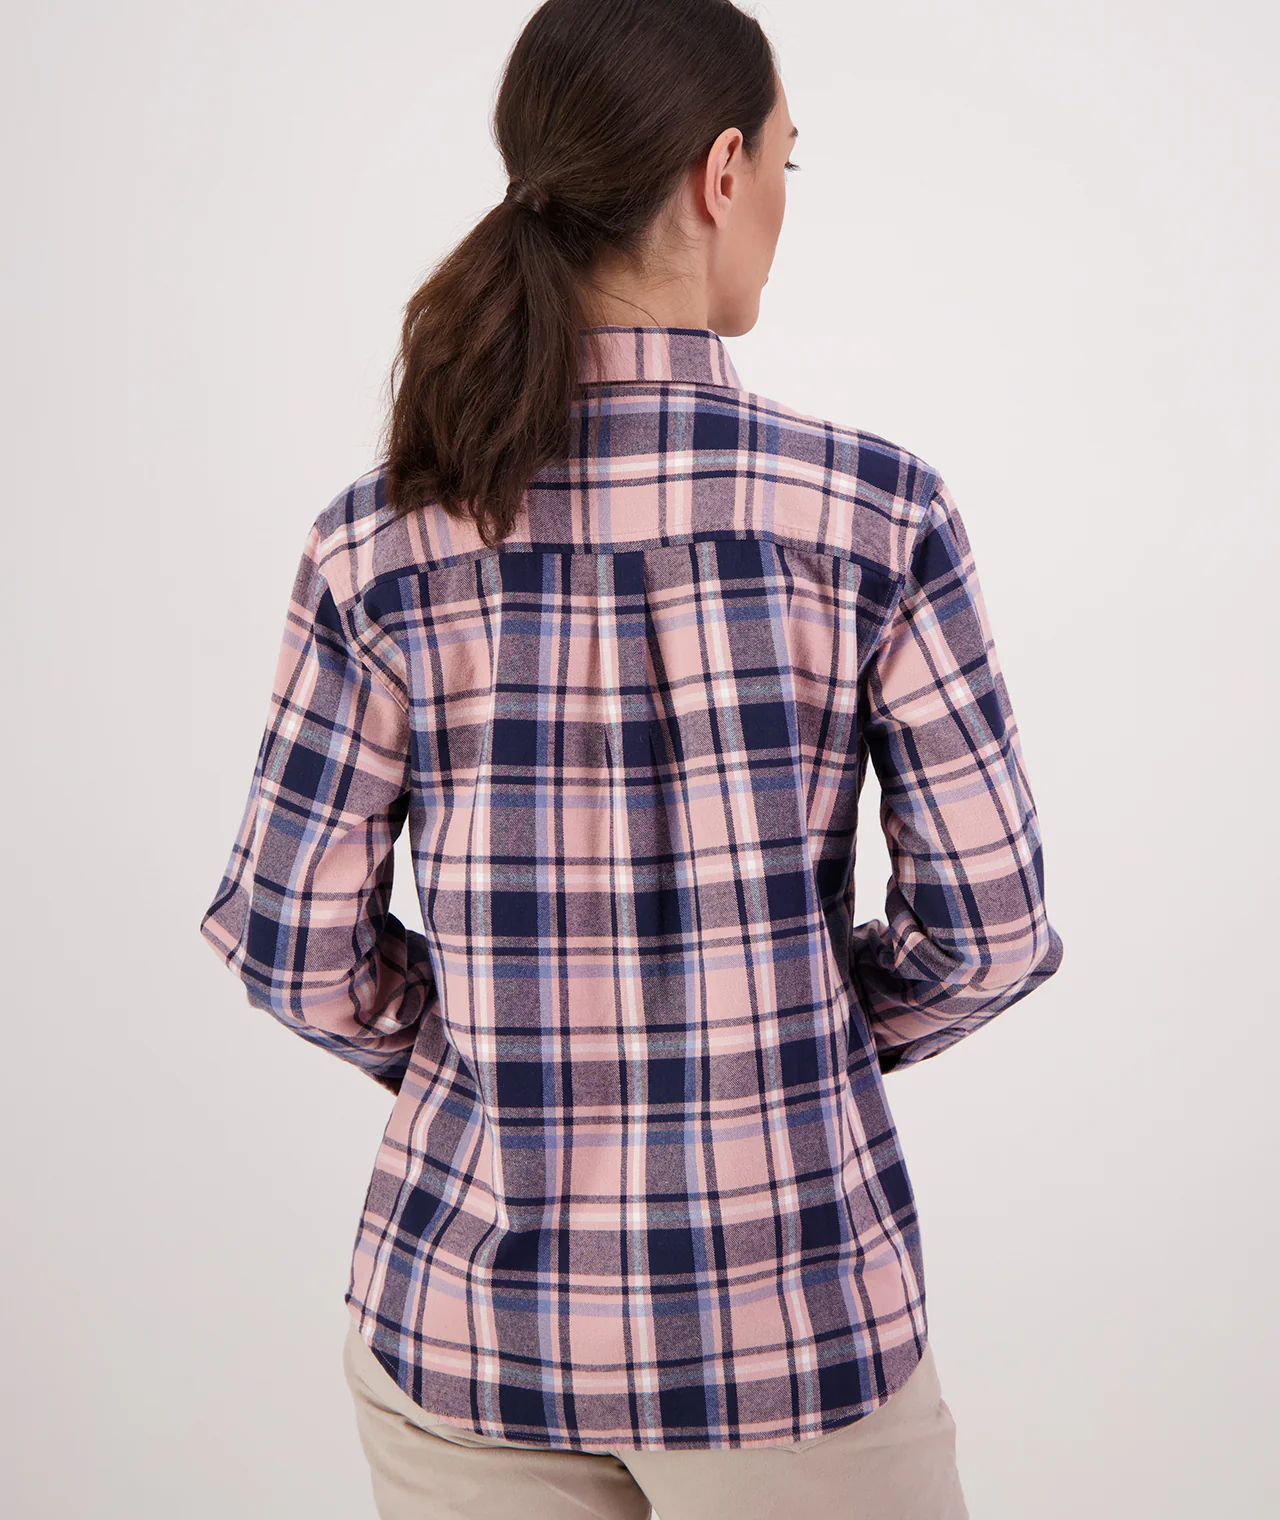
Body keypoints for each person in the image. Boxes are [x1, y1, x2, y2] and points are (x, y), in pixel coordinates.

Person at [199, 1, 1064, 1514]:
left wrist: (494, 1044)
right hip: (792, 1341)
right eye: (787, 160)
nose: (784, 200)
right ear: (721, 173)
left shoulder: (375, 542)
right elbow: (989, 935)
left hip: (465, 1335)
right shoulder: (878, 516)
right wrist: (789, 1037)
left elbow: (290, 948)